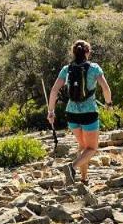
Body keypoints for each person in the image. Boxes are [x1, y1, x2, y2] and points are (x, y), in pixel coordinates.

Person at [47, 40, 112, 186]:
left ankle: (84, 179)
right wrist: (108, 104)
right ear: (87, 52)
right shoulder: (94, 68)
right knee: (92, 148)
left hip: (72, 113)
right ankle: (72, 167)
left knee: (83, 146)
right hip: (89, 113)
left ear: (74, 52)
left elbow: (54, 90)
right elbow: (106, 88)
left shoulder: (66, 69)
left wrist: (51, 111)